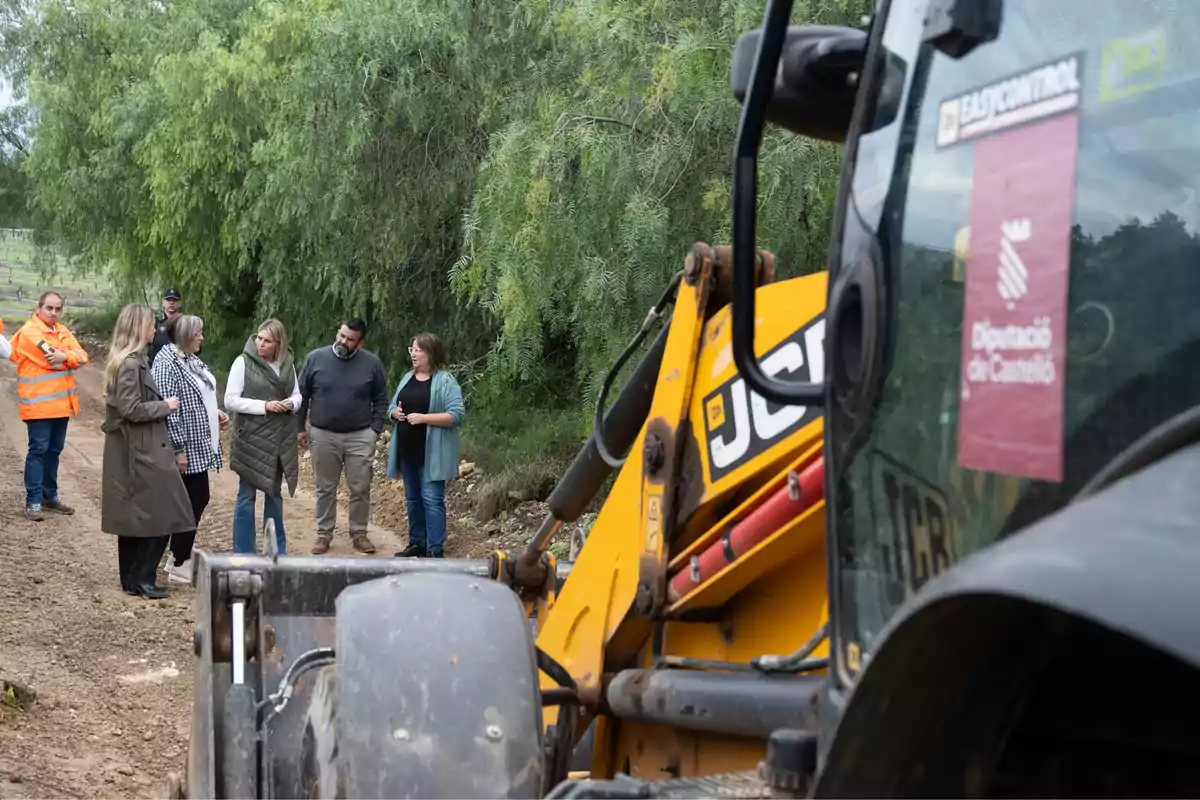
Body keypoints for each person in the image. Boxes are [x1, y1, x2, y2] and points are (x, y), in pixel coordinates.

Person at [100, 304, 194, 600]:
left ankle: (131, 578)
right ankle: (143, 579)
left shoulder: (128, 360)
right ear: (140, 328)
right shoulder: (130, 364)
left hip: (135, 446)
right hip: (142, 447)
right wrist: (166, 405)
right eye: (152, 325)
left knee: (133, 516)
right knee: (164, 513)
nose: (157, 330)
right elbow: (130, 409)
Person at [296, 317, 387, 555]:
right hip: (323, 434)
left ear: (360, 343)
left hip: (360, 435)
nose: (343, 341)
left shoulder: (372, 363)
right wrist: (299, 428)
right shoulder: (315, 358)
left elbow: (380, 398)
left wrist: (374, 430)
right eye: (342, 335)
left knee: (360, 487)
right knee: (325, 487)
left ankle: (359, 533)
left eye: (350, 339)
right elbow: (302, 395)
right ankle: (324, 534)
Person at [151, 314, 228, 584]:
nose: (202, 338)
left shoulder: (189, 359)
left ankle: (178, 555)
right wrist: (178, 448)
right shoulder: (166, 364)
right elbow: (169, 410)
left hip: (198, 444)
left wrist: (213, 411)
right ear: (184, 335)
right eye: (198, 333)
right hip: (185, 447)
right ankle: (178, 559)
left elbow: (199, 392)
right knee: (191, 500)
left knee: (195, 499)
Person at [9, 291, 90, 521]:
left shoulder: (61, 331)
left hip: (61, 406)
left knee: (53, 452)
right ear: (39, 307)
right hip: (38, 407)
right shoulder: (30, 332)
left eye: (58, 309)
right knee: (38, 452)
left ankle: (48, 496)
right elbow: (49, 358)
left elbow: (83, 357)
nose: (54, 313)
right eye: (49, 308)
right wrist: (67, 357)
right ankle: (33, 501)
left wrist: (65, 356)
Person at [225, 319, 301, 556]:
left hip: (279, 439)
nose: (260, 343)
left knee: (274, 495)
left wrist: (292, 403)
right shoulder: (243, 362)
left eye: (267, 341)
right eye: (259, 338)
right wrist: (265, 406)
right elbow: (230, 400)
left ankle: (277, 551)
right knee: (246, 496)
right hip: (251, 438)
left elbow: (298, 394)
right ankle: (243, 552)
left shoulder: (287, 363)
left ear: (278, 343)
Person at [389, 333, 466, 559]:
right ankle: (417, 543)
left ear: (430, 353)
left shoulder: (445, 381)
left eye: (418, 350)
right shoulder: (406, 377)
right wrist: (395, 413)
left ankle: (434, 549)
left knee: (432, 500)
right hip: (407, 450)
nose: (413, 354)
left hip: (432, 453)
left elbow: (456, 415)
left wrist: (424, 418)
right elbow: (392, 406)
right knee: (413, 499)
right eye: (411, 349)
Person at [147, 288, 182, 366]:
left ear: (179, 303)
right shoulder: (155, 321)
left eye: (174, 300)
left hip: (179, 366)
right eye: (168, 299)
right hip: (156, 366)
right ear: (163, 302)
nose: (171, 302)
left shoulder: (184, 322)